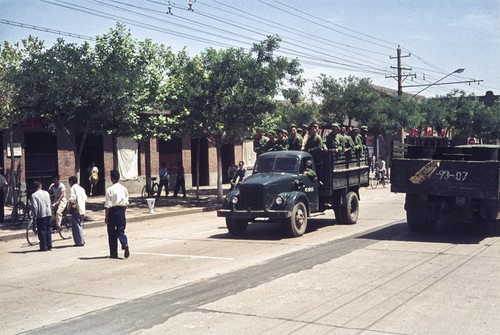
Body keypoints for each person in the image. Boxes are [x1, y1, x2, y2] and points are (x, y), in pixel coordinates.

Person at [104, 170, 130, 259]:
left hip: (112, 211)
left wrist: (106, 217)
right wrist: (123, 213)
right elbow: (126, 203)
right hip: (121, 211)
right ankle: (124, 243)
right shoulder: (124, 189)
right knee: (121, 230)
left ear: (112, 178)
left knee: (111, 233)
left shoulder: (109, 190)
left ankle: (113, 253)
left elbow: (107, 205)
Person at [31, 181, 52, 251]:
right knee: (48, 229)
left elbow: (35, 207)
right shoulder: (46, 193)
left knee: (42, 230)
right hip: (48, 213)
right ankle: (49, 245)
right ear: (40, 186)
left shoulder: (34, 195)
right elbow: (49, 202)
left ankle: (43, 247)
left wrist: (34, 215)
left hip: (41, 214)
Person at [67, 176, 87, 247]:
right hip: (82, 208)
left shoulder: (73, 188)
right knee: (80, 224)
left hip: (76, 209)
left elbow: (72, 199)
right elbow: (85, 198)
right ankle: (82, 240)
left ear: (71, 182)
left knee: (76, 225)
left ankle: (79, 241)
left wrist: (68, 208)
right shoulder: (81, 188)